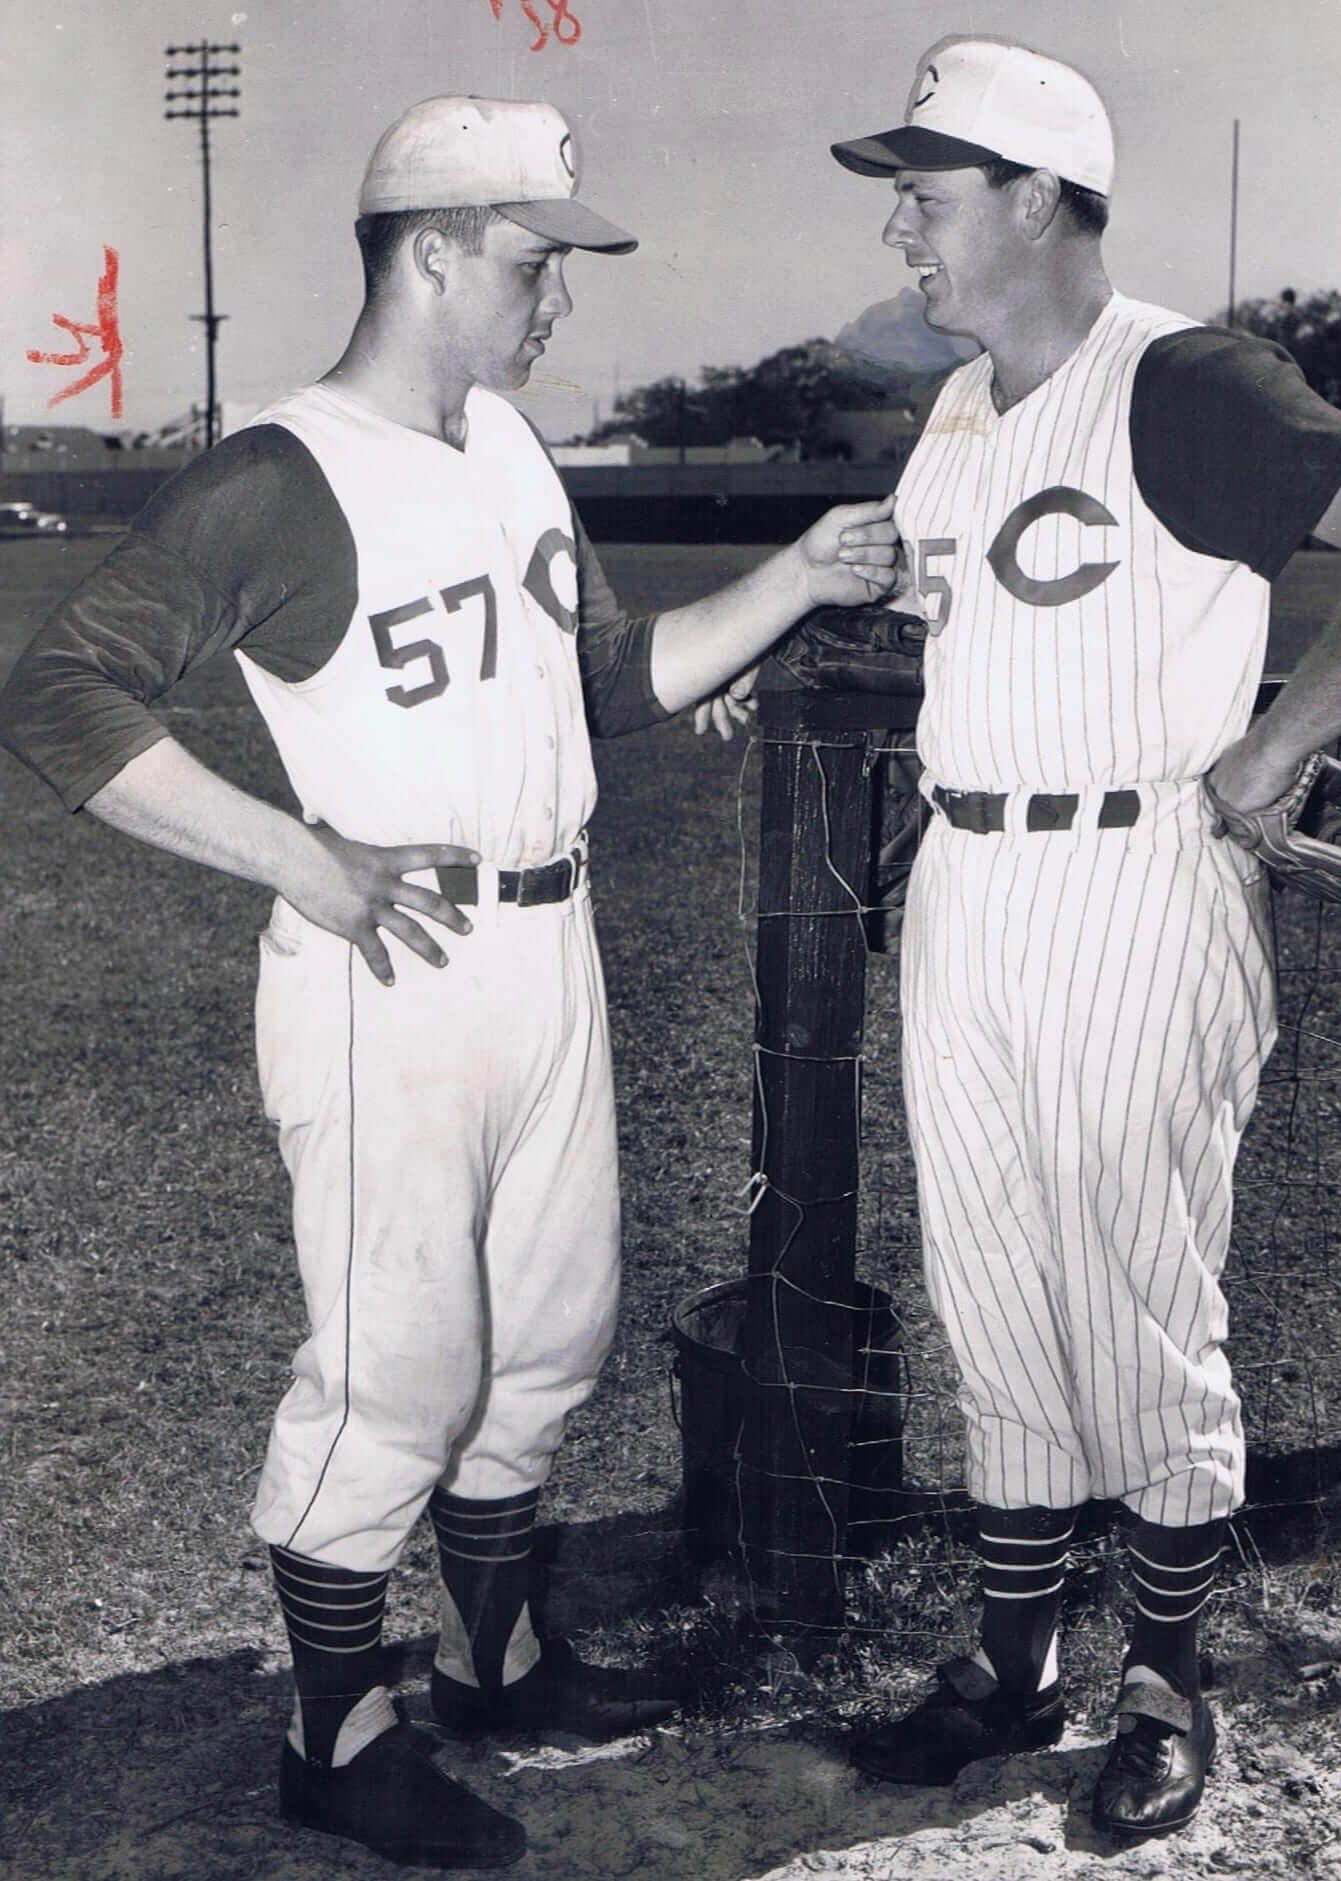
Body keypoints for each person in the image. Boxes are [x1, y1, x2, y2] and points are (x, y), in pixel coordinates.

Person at [0, 95, 896, 1871]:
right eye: (530, 258)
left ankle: (498, 1655)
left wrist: (795, 577)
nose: (557, 296)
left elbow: (602, 683)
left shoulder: (501, 448)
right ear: (426, 254)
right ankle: (332, 1736)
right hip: (381, 962)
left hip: (544, 946)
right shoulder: (280, 470)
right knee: (397, 1368)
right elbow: (59, 692)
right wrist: (298, 858)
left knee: (547, 1338)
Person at [828, 35, 1341, 1840]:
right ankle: (1013, 1655)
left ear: (1039, 198)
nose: (898, 219)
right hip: (966, 886)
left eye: (929, 185)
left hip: (1134, 878)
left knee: (1136, 1297)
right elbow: (941, 606)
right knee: (995, 1288)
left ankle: (1166, 1682)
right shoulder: (962, 407)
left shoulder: (1178, 376)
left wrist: (1277, 746)